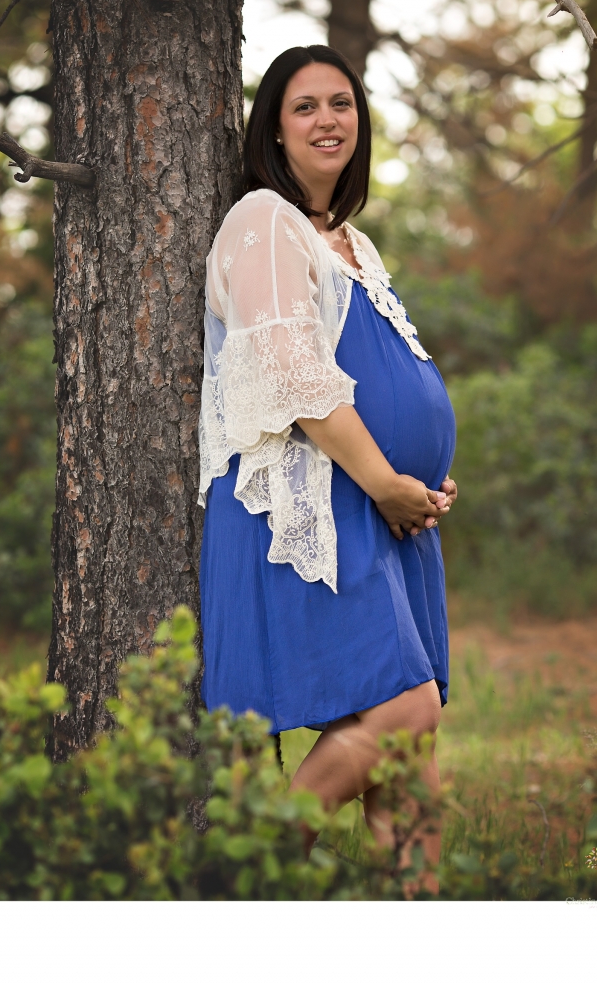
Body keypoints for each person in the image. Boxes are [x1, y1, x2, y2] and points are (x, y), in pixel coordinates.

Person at [198, 44, 457, 872]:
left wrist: (414, 481)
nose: (326, 120)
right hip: (303, 508)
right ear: (274, 130)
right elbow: (291, 373)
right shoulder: (264, 219)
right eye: (304, 106)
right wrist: (384, 479)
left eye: (340, 103)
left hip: (379, 508)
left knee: (403, 747)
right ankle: (246, 870)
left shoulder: (352, 242)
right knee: (405, 714)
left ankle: (414, 916)